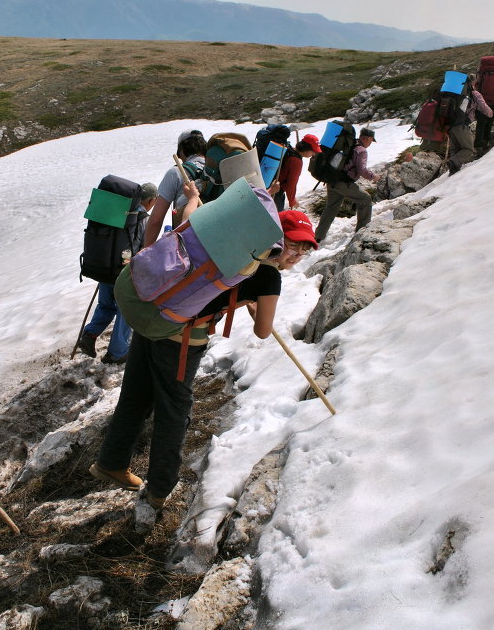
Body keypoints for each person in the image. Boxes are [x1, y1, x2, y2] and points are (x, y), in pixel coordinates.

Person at [90, 201, 317, 512]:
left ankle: (111, 463)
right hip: (180, 337)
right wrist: (255, 305)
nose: (296, 255)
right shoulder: (268, 276)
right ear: (276, 237)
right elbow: (263, 331)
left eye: (304, 250)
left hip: (151, 313)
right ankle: (159, 491)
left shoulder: (227, 241)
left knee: (136, 395)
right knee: (174, 412)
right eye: (293, 245)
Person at [79, 182, 158, 364]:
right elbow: (146, 248)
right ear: (151, 200)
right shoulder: (142, 218)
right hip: (124, 272)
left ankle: (89, 335)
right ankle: (117, 352)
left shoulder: (119, 213)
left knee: (106, 305)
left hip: (106, 267)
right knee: (126, 310)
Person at [314, 127, 378, 243]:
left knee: (331, 207)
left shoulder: (349, 144)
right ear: (367, 138)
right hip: (344, 183)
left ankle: (318, 236)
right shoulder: (361, 150)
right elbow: (362, 170)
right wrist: (373, 176)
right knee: (365, 199)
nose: (371, 143)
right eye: (371, 140)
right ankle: (362, 231)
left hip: (332, 180)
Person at [143, 130, 208, 245]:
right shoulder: (216, 170)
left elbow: (156, 220)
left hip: (190, 247)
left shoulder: (176, 172)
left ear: (182, 150)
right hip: (219, 242)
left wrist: (146, 249)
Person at [448, 74, 492, 174]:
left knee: (456, 149)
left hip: (450, 125)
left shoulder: (454, 94)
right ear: (471, 83)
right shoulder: (474, 94)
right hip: (462, 124)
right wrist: (491, 114)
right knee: (468, 149)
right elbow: (483, 107)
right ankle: (453, 163)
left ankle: (453, 172)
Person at [273, 134, 321, 211]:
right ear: (306, 148)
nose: (313, 154)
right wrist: (292, 201)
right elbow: (291, 184)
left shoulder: (290, 150)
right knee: (276, 220)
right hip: (276, 192)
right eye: (313, 151)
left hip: (270, 187)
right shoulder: (296, 161)